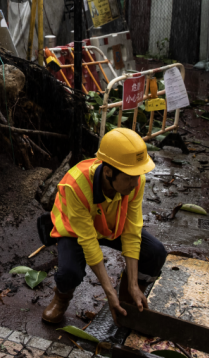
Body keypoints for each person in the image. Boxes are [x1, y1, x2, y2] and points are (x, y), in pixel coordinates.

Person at [40, 128, 167, 325]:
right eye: (130, 177)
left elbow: (132, 232)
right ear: (108, 172)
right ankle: (62, 297)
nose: (136, 182)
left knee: (155, 252)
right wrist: (108, 293)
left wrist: (134, 284)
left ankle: (129, 296)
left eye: (138, 174)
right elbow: (89, 242)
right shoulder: (75, 184)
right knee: (69, 273)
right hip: (76, 231)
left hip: (110, 225)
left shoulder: (135, 181)